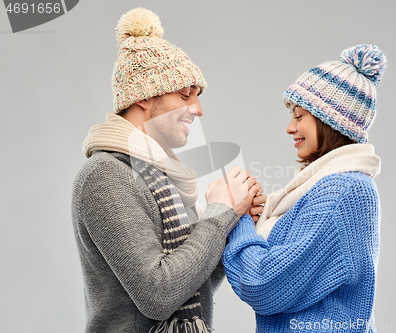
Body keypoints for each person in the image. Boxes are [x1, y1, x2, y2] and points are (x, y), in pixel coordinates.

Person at [71, 8, 263, 333]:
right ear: (144, 98)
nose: (198, 109)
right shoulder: (105, 175)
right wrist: (218, 214)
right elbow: (159, 295)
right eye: (186, 95)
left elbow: (189, 288)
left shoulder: (164, 175)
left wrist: (233, 220)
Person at [223, 44, 387, 332]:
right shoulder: (321, 187)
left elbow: (265, 283)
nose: (289, 127)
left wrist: (236, 218)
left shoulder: (343, 191)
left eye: (299, 116)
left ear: (329, 120)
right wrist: (257, 217)